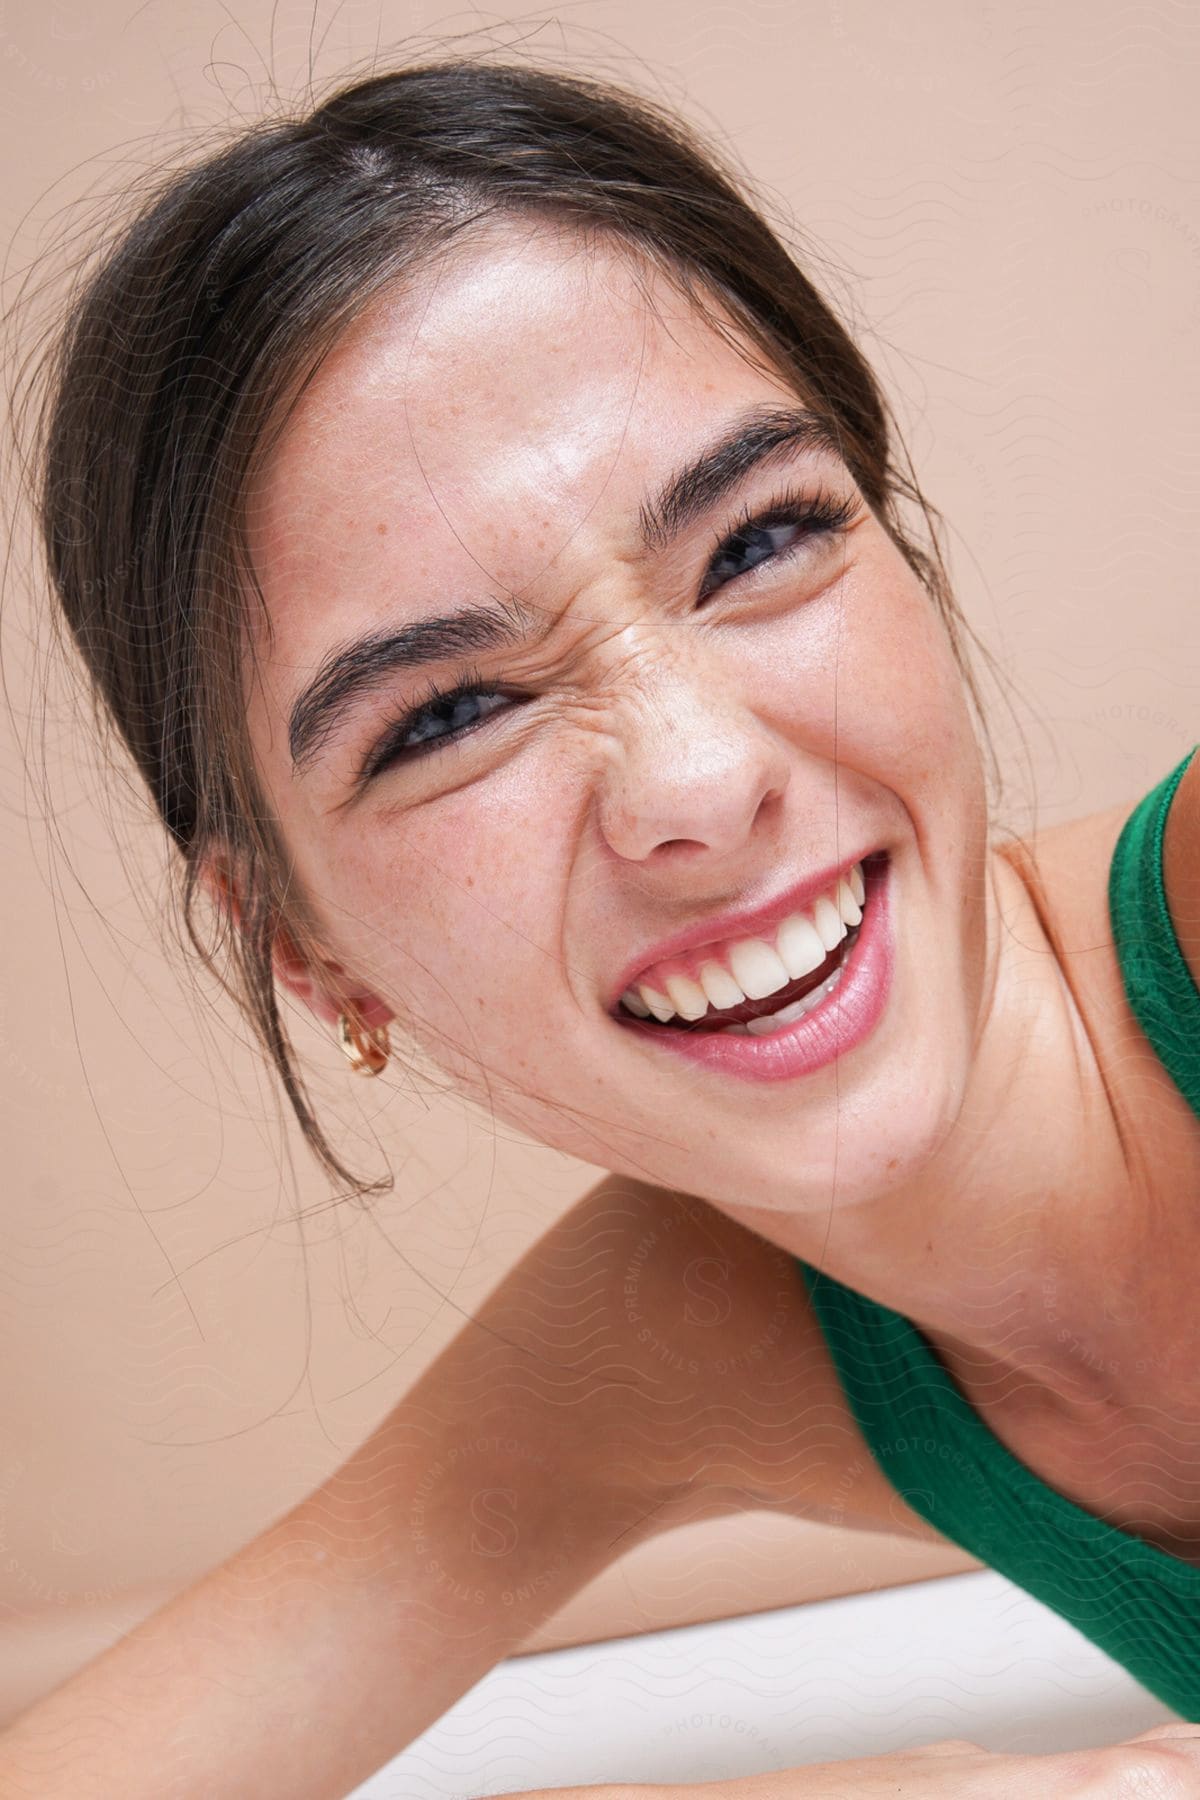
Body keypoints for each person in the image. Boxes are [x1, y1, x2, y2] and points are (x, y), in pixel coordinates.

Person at [4, 53, 1200, 1800]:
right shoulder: (676, 1333)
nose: (693, 780)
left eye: (762, 538)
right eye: (441, 717)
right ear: (307, 949)